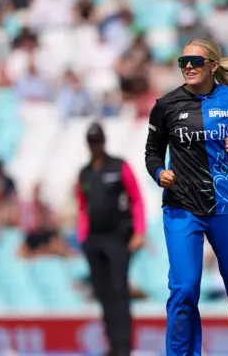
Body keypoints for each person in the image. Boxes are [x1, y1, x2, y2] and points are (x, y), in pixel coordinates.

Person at [144, 38, 228, 356]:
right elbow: (152, 154)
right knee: (184, 289)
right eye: (182, 61)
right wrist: (160, 173)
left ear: (213, 66)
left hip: (226, 207)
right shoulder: (166, 105)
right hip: (181, 208)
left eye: (195, 61)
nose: (187, 66)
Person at [76, 122, 146, 356]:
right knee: (102, 292)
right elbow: (83, 207)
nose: (95, 145)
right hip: (94, 240)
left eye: (98, 141)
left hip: (117, 238)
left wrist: (139, 232)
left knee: (118, 290)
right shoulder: (84, 174)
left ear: (103, 142)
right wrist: (83, 237)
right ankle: (112, 346)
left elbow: (136, 198)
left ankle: (123, 346)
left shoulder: (119, 167)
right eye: (91, 141)